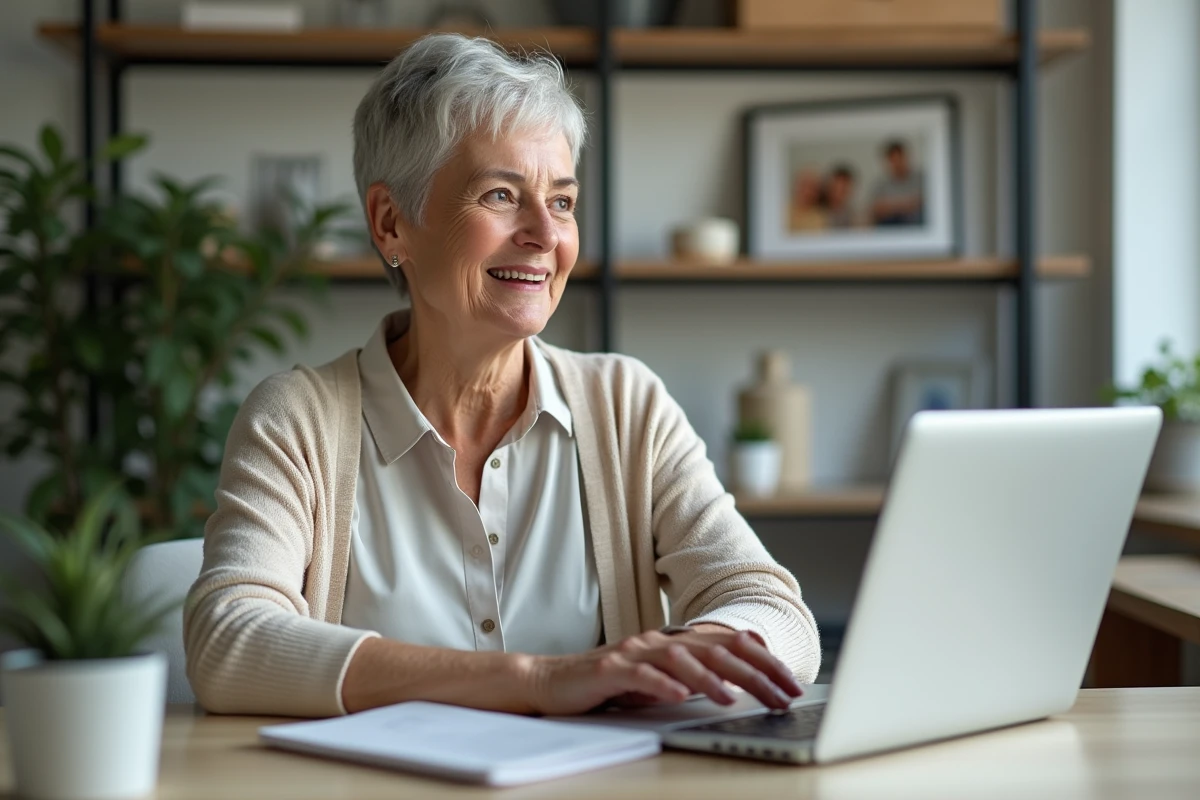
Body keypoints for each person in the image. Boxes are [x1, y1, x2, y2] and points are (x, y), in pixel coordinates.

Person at [184, 33, 821, 720]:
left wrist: (680, 656)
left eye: (564, 202)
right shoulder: (297, 420)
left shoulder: (624, 405)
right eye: (500, 195)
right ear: (391, 222)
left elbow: (776, 613)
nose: (546, 236)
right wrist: (538, 680)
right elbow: (228, 642)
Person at [870, 140, 925, 226]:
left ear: (906, 158)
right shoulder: (880, 184)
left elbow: (922, 201)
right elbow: (877, 208)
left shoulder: (920, 179)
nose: (897, 164)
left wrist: (891, 206)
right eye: (894, 160)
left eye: (900, 159)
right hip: (891, 228)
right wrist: (906, 204)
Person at [788, 168, 827, 232]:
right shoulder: (783, 212)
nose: (808, 191)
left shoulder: (820, 217)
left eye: (812, 187)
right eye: (804, 185)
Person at [823, 164, 859, 229]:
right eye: (836, 188)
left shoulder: (855, 216)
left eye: (844, 189)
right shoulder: (818, 213)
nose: (839, 193)